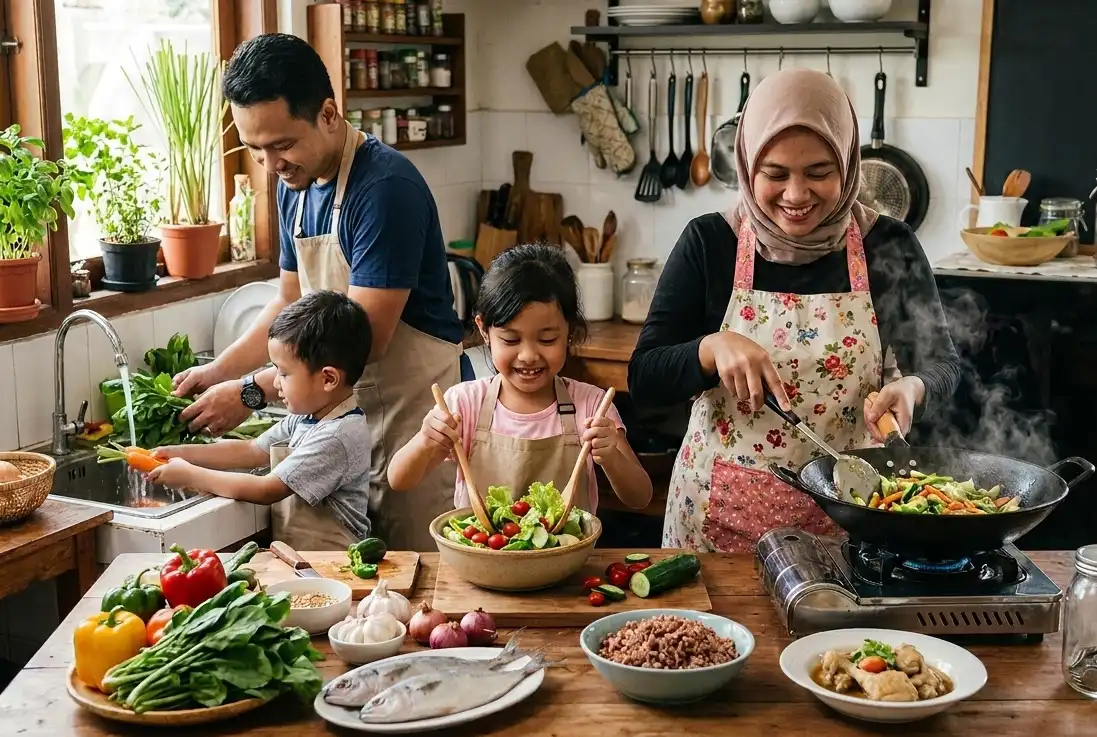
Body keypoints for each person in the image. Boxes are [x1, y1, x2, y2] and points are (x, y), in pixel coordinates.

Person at [628, 68, 961, 553]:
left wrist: (914, 387)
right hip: (718, 521)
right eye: (775, 174)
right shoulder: (710, 243)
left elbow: (944, 366)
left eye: (820, 173)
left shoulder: (888, 246)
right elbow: (645, 378)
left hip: (851, 515)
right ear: (747, 165)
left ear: (848, 165)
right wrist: (709, 349)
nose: (797, 195)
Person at [171, 34, 467, 551]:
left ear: (328, 113)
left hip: (410, 424)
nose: (271, 164)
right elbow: (288, 303)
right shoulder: (295, 186)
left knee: (418, 593)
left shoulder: (384, 189)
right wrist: (219, 371)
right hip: (336, 425)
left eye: (282, 144)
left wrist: (251, 391)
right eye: (255, 148)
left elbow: (364, 340)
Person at [388, 244, 653, 514]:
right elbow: (398, 480)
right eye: (511, 339)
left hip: (569, 556)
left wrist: (611, 457)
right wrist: (425, 440)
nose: (528, 355)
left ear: (570, 331)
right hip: (480, 556)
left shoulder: (591, 406)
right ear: (484, 330)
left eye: (547, 339)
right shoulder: (465, 403)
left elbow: (640, 496)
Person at [148, 291, 373, 550]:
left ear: (328, 379)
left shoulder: (338, 435)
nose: (275, 383)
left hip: (337, 562)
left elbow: (268, 489)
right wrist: (177, 454)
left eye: (284, 373)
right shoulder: (307, 417)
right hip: (304, 556)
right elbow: (252, 450)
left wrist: (190, 475)